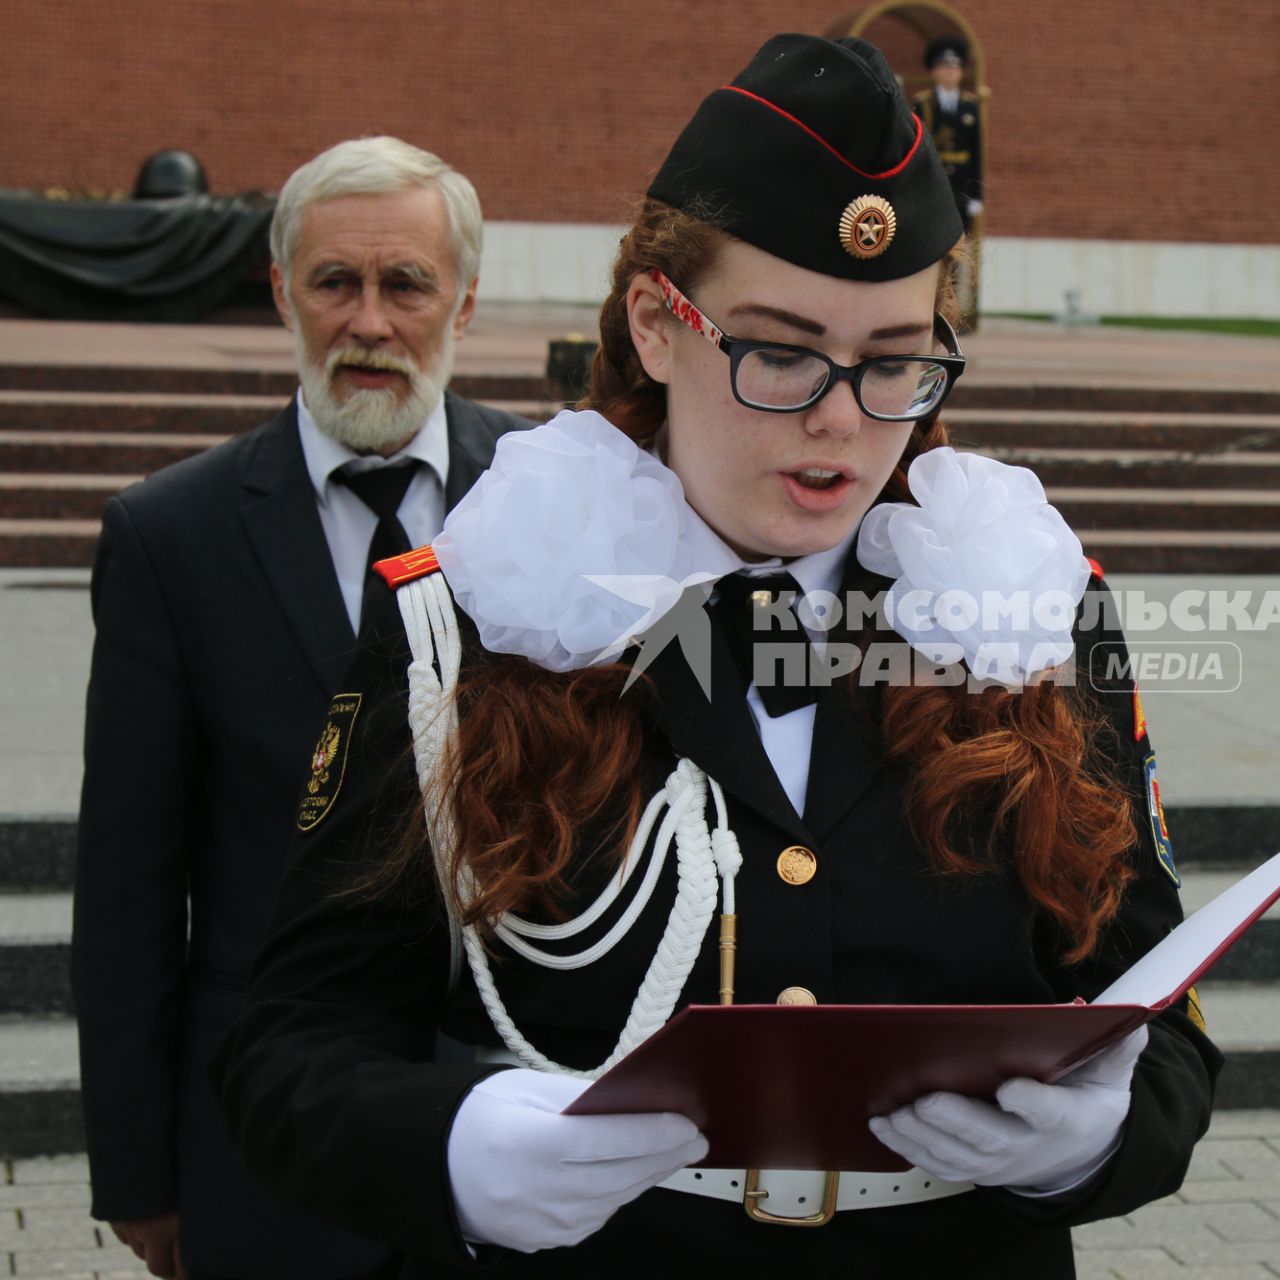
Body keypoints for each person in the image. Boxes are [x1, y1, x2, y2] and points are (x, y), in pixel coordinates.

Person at [212, 34, 1218, 1278]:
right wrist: (456, 1148)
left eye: (894, 357)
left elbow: (1158, 1004)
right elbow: (292, 1045)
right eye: (780, 350)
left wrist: (1096, 1138)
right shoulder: (473, 615)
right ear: (654, 324)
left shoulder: (1027, 609)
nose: (842, 418)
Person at [71, 136, 530, 1280]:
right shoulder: (167, 537)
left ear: (463, 302)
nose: (368, 322)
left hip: (523, 1127)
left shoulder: (556, 502)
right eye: (334, 282)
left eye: (405, 284)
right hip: (266, 1151)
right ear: (284, 293)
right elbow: (127, 888)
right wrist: (138, 1169)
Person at [912, 37, 984, 234]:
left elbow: (977, 152)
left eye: (955, 67)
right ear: (934, 71)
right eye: (945, 67)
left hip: (962, 182)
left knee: (960, 238)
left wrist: (977, 195)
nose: (951, 72)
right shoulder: (923, 103)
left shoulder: (971, 106)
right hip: (933, 179)